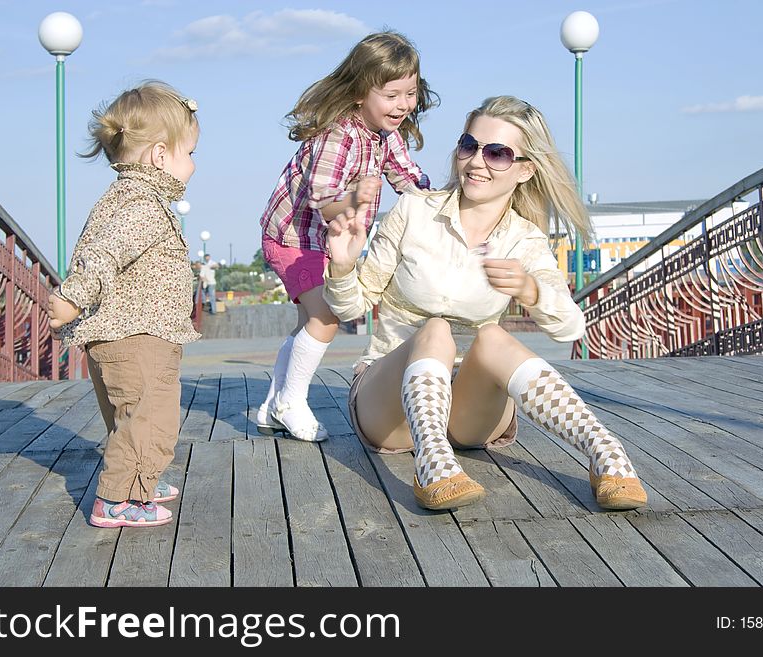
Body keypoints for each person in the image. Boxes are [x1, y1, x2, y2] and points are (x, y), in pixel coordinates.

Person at [324, 96, 648, 512]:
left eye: (497, 153)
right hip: (389, 408)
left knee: (493, 336)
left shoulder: (525, 240)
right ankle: (433, 462)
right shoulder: (413, 211)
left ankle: (605, 451)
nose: (477, 162)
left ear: (525, 169)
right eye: (468, 146)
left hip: (471, 411)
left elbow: (569, 328)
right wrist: (343, 266)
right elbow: (352, 307)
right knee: (436, 329)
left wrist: (532, 291)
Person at [257, 30, 437, 442]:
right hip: (293, 237)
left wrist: (441, 205)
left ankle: (273, 404)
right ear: (360, 93)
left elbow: (408, 178)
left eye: (410, 93)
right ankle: (291, 401)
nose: (404, 105)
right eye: (392, 95)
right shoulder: (338, 135)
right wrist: (355, 196)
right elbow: (322, 200)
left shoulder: (386, 136)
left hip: (324, 242)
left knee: (309, 321)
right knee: (326, 317)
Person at [47, 80, 201, 527]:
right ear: (159, 155)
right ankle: (119, 500)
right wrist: (73, 295)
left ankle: (142, 481)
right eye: (188, 153)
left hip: (126, 335)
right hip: (139, 336)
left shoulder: (123, 198)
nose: (192, 164)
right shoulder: (142, 207)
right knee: (150, 418)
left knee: (130, 417)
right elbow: (103, 254)